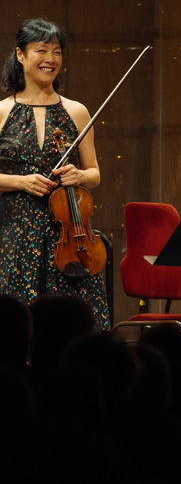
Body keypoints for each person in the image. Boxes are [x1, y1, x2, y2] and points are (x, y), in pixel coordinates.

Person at [0, 18, 108, 331]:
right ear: (21, 55)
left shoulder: (76, 111)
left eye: (57, 52)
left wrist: (79, 176)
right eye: (42, 50)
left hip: (67, 236)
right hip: (13, 235)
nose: (51, 59)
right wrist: (20, 182)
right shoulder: (3, 111)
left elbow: (95, 173)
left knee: (70, 332)